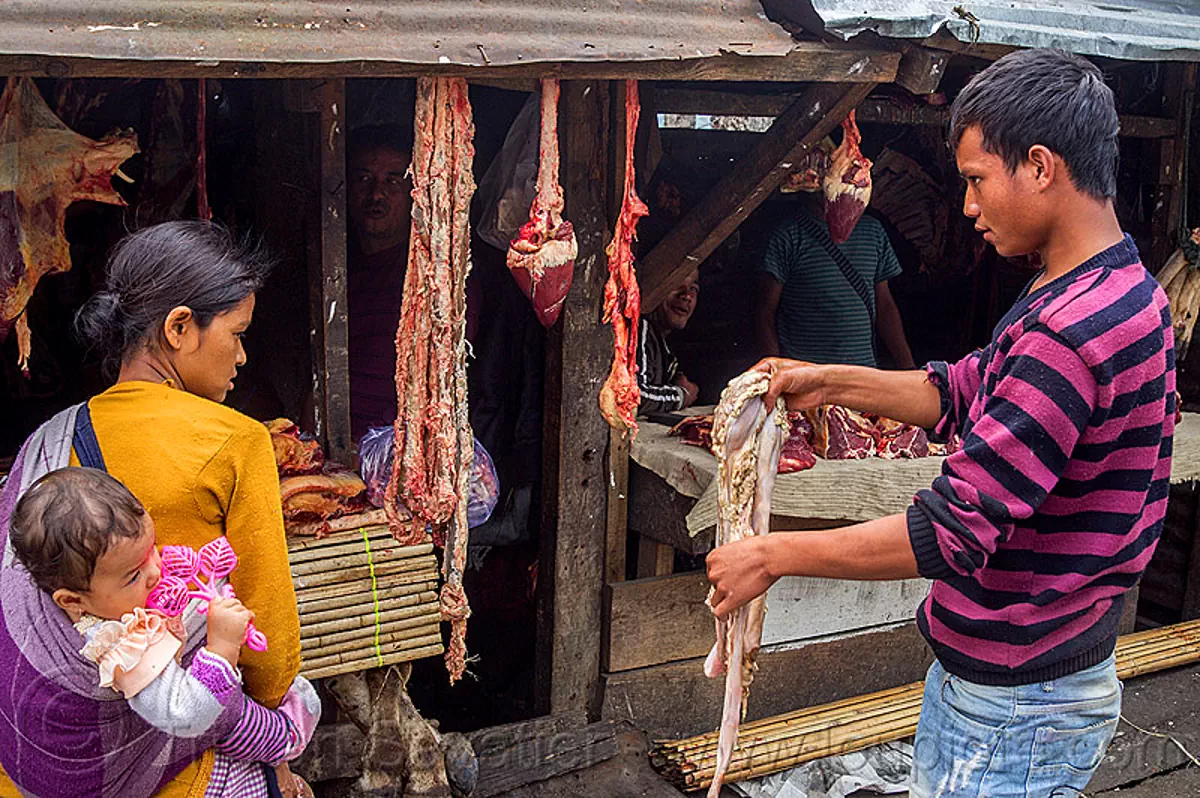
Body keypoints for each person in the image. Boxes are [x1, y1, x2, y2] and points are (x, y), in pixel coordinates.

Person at [708, 49, 1174, 797]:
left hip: (1015, 707)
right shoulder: (1122, 289)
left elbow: (954, 531)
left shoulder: (1069, 332)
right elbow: (965, 387)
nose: (967, 207)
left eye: (977, 180)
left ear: (1042, 167)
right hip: (1050, 675)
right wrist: (824, 380)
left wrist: (772, 556)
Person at [0, 220, 303, 798]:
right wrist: (276, 747)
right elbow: (273, 650)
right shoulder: (234, 440)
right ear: (180, 327)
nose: (242, 356)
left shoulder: (45, 442)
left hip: (39, 767)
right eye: (237, 334)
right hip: (184, 773)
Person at [8, 467, 319, 797]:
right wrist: (223, 645)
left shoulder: (95, 590)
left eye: (152, 549)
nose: (156, 571)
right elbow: (189, 715)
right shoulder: (122, 646)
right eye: (133, 575)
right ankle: (282, 746)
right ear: (72, 600)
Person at [757, 173, 915, 370]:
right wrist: (777, 373)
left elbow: (885, 304)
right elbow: (765, 313)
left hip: (863, 372)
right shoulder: (787, 236)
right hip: (807, 376)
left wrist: (908, 367)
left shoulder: (873, 232)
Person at [346, 125, 414, 444]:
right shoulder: (340, 269)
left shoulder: (433, 274)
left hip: (404, 454)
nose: (376, 194)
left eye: (392, 180)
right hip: (342, 451)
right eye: (363, 179)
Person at [638, 269, 701, 415]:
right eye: (676, 284)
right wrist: (682, 395)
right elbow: (634, 396)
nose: (686, 296)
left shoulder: (662, 343)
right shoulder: (641, 327)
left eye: (693, 289)